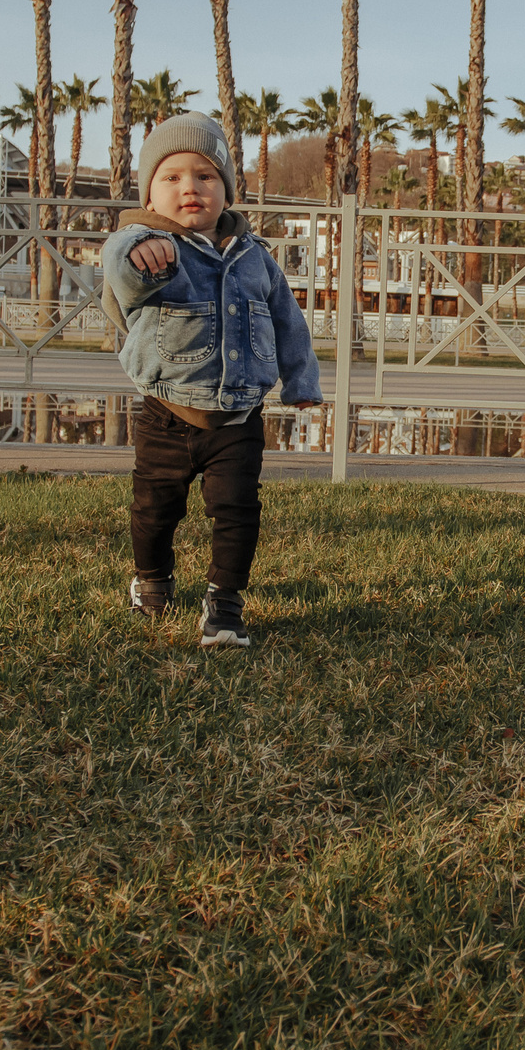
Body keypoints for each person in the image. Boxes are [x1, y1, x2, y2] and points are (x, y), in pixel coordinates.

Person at [101, 113, 321, 648]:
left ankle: (225, 604)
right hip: (166, 413)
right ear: (149, 194)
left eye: (205, 176)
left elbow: (288, 319)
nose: (190, 188)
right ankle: (152, 579)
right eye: (172, 177)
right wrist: (138, 255)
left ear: (226, 190)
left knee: (238, 510)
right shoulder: (145, 242)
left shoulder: (254, 256)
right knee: (154, 509)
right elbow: (118, 272)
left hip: (239, 416)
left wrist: (301, 380)